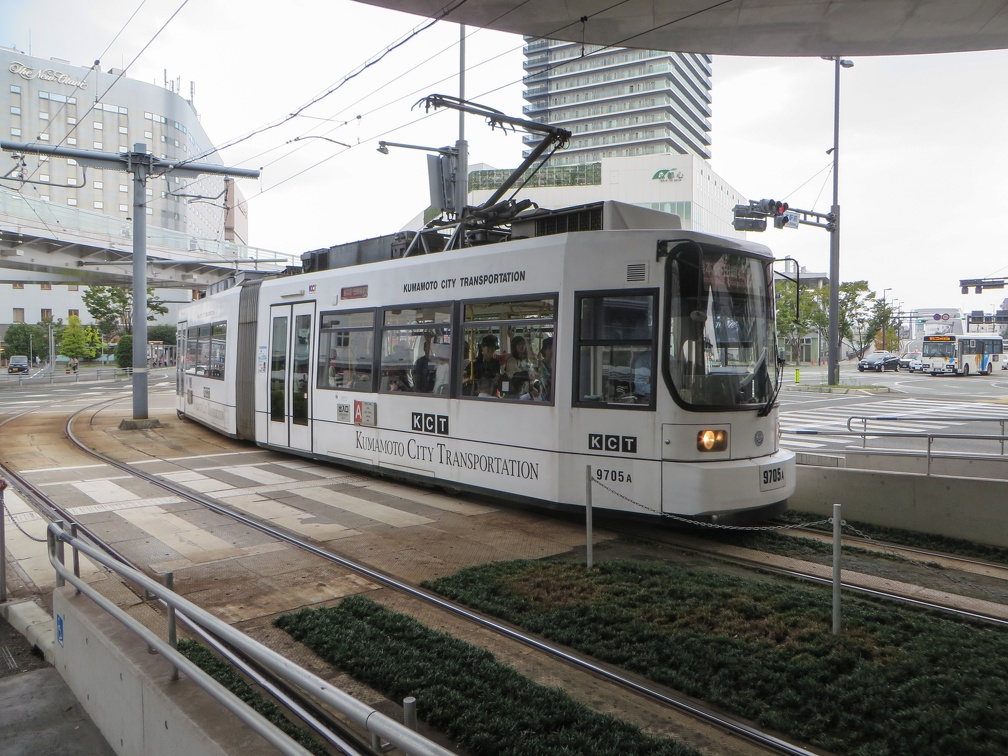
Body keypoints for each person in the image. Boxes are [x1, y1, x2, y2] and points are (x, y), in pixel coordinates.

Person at [538, 337, 553, 401]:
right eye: (550, 348)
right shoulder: (541, 365)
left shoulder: (558, 364)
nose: (552, 350)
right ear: (544, 350)